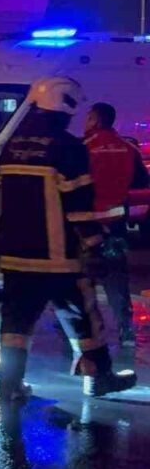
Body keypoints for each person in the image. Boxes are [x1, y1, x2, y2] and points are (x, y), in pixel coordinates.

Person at [0, 77, 137, 401]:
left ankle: (9, 385)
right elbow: (79, 208)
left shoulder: (12, 146)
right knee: (83, 314)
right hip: (56, 257)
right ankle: (100, 376)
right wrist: (95, 245)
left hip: (14, 254)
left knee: (15, 322)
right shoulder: (67, 148)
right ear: (66, 106)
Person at [83, 102, 149, 347]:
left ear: (95, 120)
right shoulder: (128, 148)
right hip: (117, 224)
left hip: (88, 227)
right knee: (117, 279)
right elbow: (141, 181)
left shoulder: (84, 148)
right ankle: (126, 329)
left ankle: (86, 333)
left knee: (83, 279)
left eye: (88, 117)